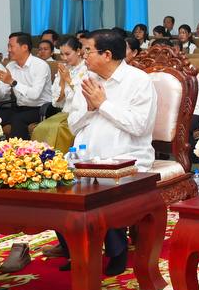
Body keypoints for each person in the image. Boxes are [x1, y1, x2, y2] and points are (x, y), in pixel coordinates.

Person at [64, 30, 160, 275]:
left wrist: (103, 104)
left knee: (104, 186)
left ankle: (117, 251)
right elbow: (73, 125)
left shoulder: (138, 81)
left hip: (127, 157)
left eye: (88, 51)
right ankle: (75, 248)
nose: (83, 55)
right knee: (55, 184)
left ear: (107, 55)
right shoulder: (87, 79)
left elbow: (140, 126)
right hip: (84, 156)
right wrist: (89, 108)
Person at [0, 33, 52, 139]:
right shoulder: (10, 66)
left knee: (18, 119)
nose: (9, 50)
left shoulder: (40, 66)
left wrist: (13, 82)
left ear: (24, 47)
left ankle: (17, 149)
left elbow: (35, 95)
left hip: (41, 109)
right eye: (8, 46)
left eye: (11, 46)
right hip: (19, 107)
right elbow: (3, 94)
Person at [32, 35, 86, 153]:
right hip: (65, 111)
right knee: (40, 128)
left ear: (78, 51)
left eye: (67, 54)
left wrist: (68, 79)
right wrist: (62, 79)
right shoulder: (63, 68)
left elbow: (83, 95)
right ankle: (41, 159)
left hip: (81, 112)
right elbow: (58, 100)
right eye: (61, 54)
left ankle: (59, 160)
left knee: (58, 128)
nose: (64, 58)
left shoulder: (86, 68)